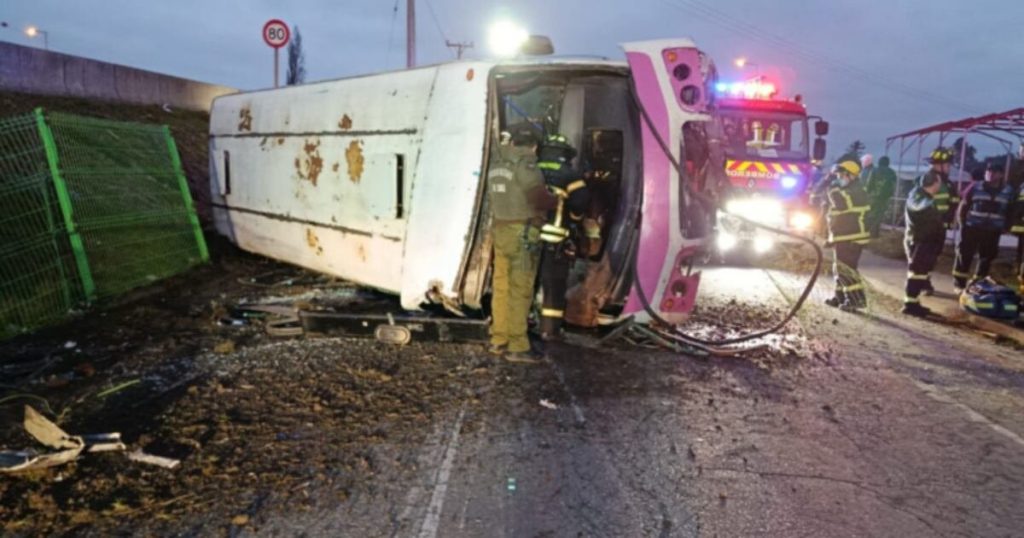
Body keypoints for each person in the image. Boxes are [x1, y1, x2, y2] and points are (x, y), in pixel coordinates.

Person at [487, 126, 556, 362]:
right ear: (534, 147)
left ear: (513, 143)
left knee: (501, 288)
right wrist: (556, 199)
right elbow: (537, 198)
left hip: (501, 231)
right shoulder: (526, 164)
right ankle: (518, 346)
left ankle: (499, 339)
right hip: (522, 234)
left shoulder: (497, 163)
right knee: (520, 289)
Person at [536, 134, 589, 341]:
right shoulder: (571, 176)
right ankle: (549, 330)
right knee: (554, 286)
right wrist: (574, 219)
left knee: (527, 283)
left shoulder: (531, 170)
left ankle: (522, 323)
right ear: (566, 154)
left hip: (529, 238)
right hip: (555, 239)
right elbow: (580, 203)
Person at [952, 162, 1014, 291]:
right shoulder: (975, 187)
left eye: (994, 172)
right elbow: (963, 205)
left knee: (986, 257)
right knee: (964, 255)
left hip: (993, 231)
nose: (990, 174)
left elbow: (1010, 211)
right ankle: (959, 284)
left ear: (1001, 175)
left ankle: (978, 283)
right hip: (971, 228)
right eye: (988, 171)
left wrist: (1006, 227)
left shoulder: (1008, 191)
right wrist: (962, 224)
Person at [824, 160, 871, 311]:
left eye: (840, 175)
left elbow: (841, 203)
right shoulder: (848, 189)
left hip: (852, 237)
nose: (838, 178)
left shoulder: (856, 191)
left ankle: (856, 300)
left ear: (850, 175)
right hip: (844, 236)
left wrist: (831, 188)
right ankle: (840, 297)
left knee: (847, 269)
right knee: (840, 268)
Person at [914, 147, 956, 294]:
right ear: (939, 165)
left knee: (933, 256)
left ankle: (924, 280)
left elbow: (952, 202)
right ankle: (920, 283)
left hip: (939, 226)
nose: (949, 167)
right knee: (924, 256)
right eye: (947, 164)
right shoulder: (929, 180)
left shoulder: (947, 183)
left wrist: (950, 218)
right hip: (928, 226)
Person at [903, 173, 946, 317]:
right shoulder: (922, 200)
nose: (940, 185)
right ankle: (910, 305)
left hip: (924, 242)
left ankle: (913, 302)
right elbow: (925, 217)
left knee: (919, 273)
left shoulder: (920, 196)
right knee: (917, 273)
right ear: (935, 183)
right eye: (939, 182)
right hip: (922, 242)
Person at [865, 155, 898, 238]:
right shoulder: (892, 172)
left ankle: (867, 232)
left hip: (873, 197)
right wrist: (890, 194)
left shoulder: (874, 170)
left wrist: (867, 193)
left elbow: (869, 184)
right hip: (884, 198)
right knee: (879, 216)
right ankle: (875, 234)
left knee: (869, 214)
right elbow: (893, 185)